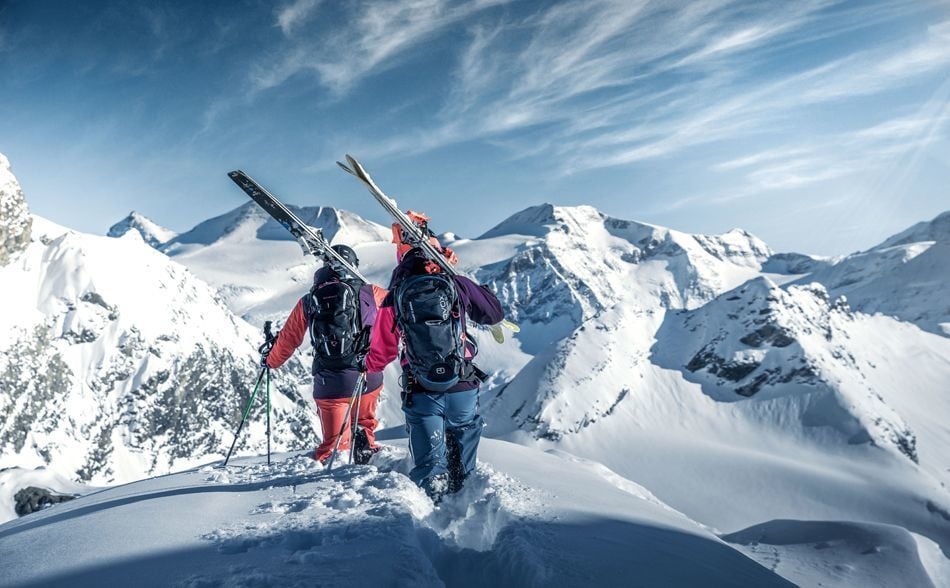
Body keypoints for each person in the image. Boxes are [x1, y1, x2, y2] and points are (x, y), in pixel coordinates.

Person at [364, 247, 504, 500]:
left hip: (422, 389)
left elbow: (382, 351)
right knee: (463, 448)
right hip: (462, 384)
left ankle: (433, 506)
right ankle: (463, 497)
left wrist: (369, 367)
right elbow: (494, 314)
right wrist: (480, 291)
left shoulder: (396, 296)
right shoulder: (456, 285)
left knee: (430, 465)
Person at [265, 244, 387, 464]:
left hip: (331, 382)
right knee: (364, 423)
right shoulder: (372, 292)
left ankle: (335, 472)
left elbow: (288, 339)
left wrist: (270, 361)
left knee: (334, 446)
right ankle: (366, 456)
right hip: (368, 376)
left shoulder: (309, 300)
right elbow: (400, 316)